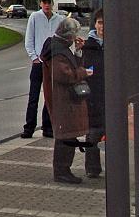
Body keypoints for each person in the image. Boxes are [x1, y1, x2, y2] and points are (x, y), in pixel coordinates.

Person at [40, 17, 92, 183]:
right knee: (65, 136)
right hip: (62, 100)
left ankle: (64, 170)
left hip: (64, 99)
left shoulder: (59, 48)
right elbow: (65, 75)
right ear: (69, 35)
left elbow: (71, 68)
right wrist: (84, 72)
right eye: (74, 34)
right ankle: (62, 171)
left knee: (68, 135)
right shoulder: (57, 51)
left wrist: (77, 52)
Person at [23, 0, 64, 138]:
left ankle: (47, 126)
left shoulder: (59, 19)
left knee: (49, 96)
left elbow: (62, 40)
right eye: (44, 2)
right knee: (33, 97)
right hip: (39, 63)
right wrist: (34, 57)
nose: (46, 5)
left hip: (52, 63)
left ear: (52, 4)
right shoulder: (35, 17)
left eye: (49, 3)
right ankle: (29, 127)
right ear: (40, 4)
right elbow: (29, 39)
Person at [82, 8, 105, 178]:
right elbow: (86, 69)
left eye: (105, 22)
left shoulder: (116, 43)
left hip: (111, 94)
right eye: (100, 22)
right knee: (93, 133)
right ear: (95, 24)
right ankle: (92, 168)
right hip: (94, 94)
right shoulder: (89, 45)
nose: (102, 26)